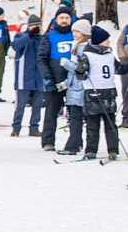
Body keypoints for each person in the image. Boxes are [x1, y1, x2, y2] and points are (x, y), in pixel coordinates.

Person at [76, 26, 126, 160]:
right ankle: (91, 150)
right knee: (92, 125)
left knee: (111, 124)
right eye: (106, 40)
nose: (109, 42)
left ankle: (113, 150)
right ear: (100, 41)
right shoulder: (87, 55)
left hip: (109, 94)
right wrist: (81, 70)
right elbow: (80, 75)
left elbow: (119, 69)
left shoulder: (109, 55)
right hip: (92, 94)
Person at [37, 6, 76, 151]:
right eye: (61, 18)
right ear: (56, 20)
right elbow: (41, 58)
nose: (64, 21)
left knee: (75, 113)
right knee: (51, 112)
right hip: (54, 79)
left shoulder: (76, 35)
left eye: (67, 18)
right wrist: (47, 77)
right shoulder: (49, 36)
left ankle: (75, 141)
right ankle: (48, 141)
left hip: (73, 81)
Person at [54, 20, 93, 155]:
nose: (74, 34)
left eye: (77, 31)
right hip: (74, 88)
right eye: (74, 31)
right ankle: (78, 143)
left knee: (76, 119)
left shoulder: (83, 48)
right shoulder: (78, 46)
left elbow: (80, 70)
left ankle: (72, 146)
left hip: (79, 90)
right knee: (75, 119)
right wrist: (66, 83)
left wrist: (66, 63)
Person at [10, 15, 44, 137]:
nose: (37, 28)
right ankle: (16, 127)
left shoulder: (42, 39)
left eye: (39, 25)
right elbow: (15, 45)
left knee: (37, 106)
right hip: (23, 78)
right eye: (35, 25)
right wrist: (29, 35)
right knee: (20, 106)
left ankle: (34, 128)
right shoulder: (21, 36)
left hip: (39, 78)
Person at [120, 24, 128, 128]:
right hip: (126, 63)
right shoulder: (126, 28)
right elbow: (120, 43)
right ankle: (126, 115)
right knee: (125, 90)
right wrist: (122, 57)